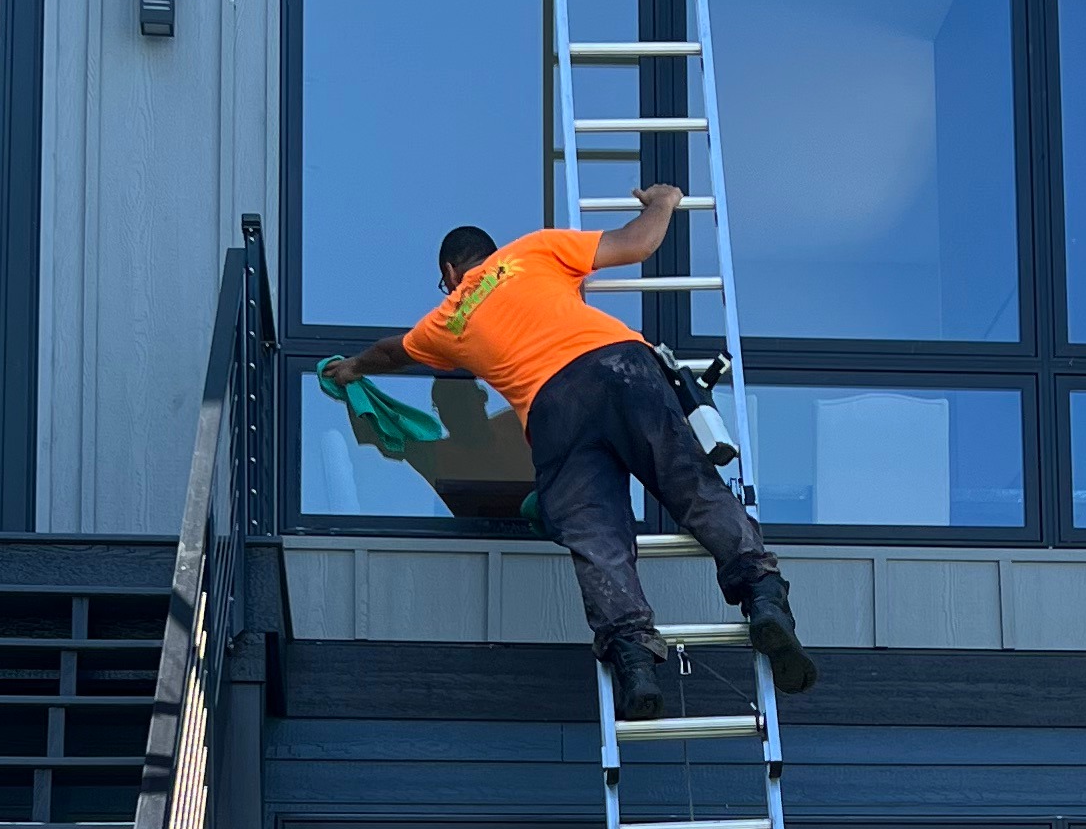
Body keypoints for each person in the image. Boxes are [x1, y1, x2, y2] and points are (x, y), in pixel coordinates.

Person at [320, 187, 816, 724]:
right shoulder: (534, 249)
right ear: (491, 252)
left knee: (596, 536)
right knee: (693, 486)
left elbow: (391, 352)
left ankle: (635, 662)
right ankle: (764, 596)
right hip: (620, 367)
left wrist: (351, 368)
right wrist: (663, 202)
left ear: (449, 272)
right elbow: (637, 243)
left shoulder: (449, 318)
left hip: (553, 410)